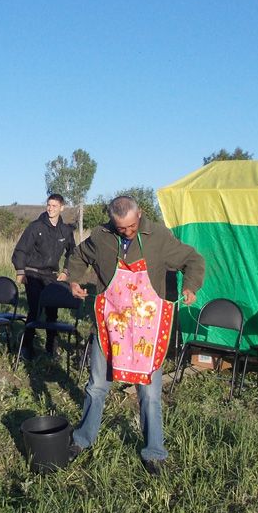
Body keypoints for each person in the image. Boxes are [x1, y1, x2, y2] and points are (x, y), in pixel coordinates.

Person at [66, 196, 205, 476]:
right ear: (112, 222)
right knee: (96, 386)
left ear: (139, 215)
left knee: (150, 393)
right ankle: (82, 440)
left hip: (146, 331)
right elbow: (79, 257)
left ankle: (154, 452)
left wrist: (190, 287)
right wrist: (73, 280)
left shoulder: (158, 237)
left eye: (131, 227)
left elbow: (193, 259)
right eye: (122, 228)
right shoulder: (101, 237)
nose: (127, 232)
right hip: (111, 325)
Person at [11, 193, 76, 358]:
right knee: (34, 310)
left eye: (54, 206)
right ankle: (26, 347)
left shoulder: (66, 231)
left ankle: (51, 348)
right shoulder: (36, 227)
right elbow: (21, 250)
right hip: (33, 273)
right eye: (49, 205)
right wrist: (20, 271)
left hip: (52, 276)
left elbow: (73, 253)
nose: (50, 209)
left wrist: (66, 271)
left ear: (62, 208)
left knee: (52, 312)